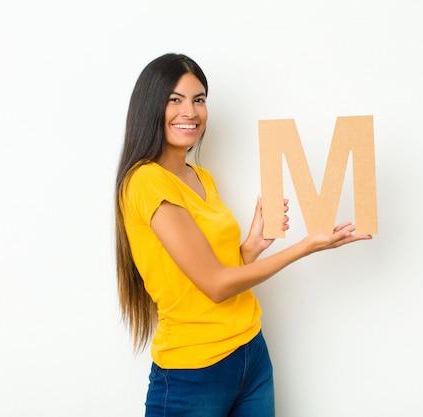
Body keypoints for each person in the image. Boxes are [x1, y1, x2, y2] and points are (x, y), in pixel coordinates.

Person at [114, 53, 372, 417]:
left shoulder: (200, 177)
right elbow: (216, 284)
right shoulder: (145, 182)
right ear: (150, 105)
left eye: (199, 100)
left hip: (250, 354)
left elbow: (214, 270)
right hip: (194, 372)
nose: (190, 112)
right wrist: (304, 247)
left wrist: (251, 246)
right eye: (175, 99)